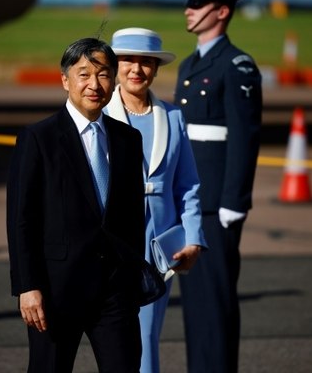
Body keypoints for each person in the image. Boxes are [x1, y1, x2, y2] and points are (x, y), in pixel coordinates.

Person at [7, 37, 147, 372]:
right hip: (57, 291)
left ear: (114, 82)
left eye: (103, 75)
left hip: (114, 290)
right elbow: (21, 219)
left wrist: (133, 280)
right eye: (83, 75)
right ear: (65, 80)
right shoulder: (39, 138)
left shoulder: (129, 139)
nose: (94, 84)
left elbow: (132, 217)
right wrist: (27, 286)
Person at [174, 0, 263, 372]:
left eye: (199, 4)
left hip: (216, 206)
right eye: (190, 3)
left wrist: (234, 201)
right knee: (195, 306)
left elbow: (245, 139)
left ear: (222, 11)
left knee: (216, 301)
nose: (189, 11)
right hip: (192, 200)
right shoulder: (189, 64)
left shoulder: (236, 66)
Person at [104, 27, 206, 373]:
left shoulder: (173, 117)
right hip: (111, 247)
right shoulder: (98, 117)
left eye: (146, 61)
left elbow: (188, 185)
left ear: (157, 68)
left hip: (159, 250)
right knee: (113, 341)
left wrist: (193, 237)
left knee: (147, 339)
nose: (137, 69)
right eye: (128, 60)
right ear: (115, 65)